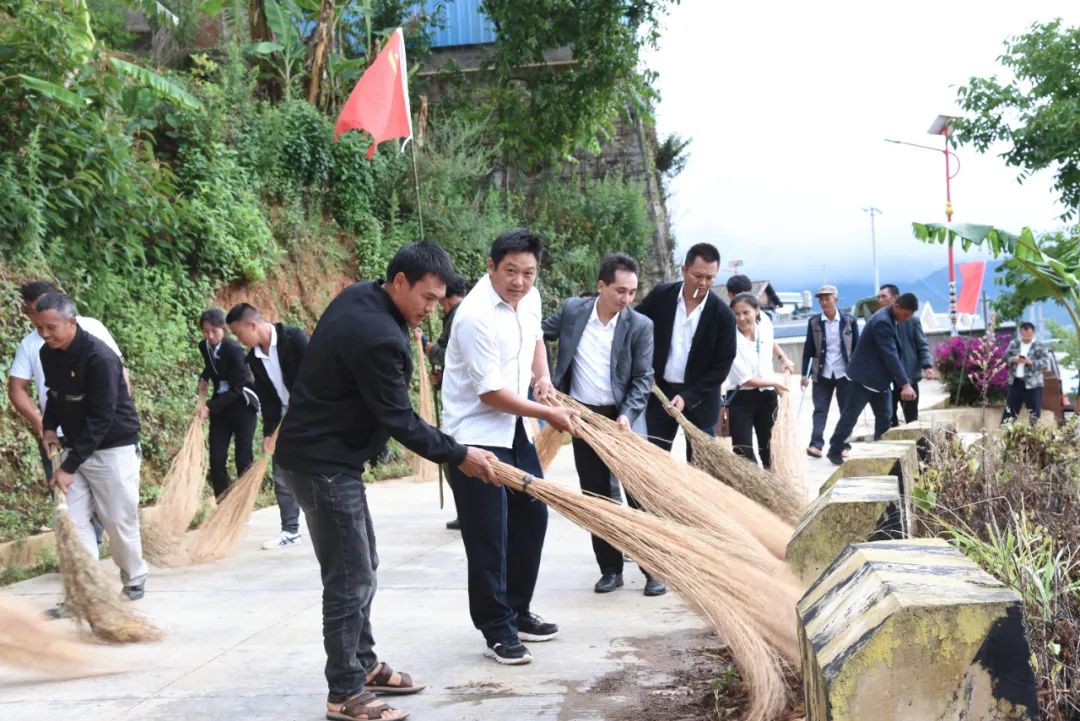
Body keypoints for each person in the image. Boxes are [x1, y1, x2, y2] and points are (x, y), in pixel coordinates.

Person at [274, 241, 497, 721]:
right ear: (399, 282)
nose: (431, 310)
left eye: (438, 300)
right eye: (428, 299)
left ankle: (364, 662)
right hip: (323, 465)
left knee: (362, 563)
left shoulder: (361, 295)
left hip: (324, 457)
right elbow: (398, 417)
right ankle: (345, 692)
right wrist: (460, 455)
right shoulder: (377, 334)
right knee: (349, 578)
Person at [441, 228, 578, 666]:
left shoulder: (530, 298)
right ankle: (495, 628)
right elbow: (490, 394)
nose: (519, 281)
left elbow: (536, 338)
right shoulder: (474, 316)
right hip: (475, 434)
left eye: (528, 272)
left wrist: (543, 378)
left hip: (513, 427)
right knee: (489, 535)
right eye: (510, 271)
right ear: (491, 266)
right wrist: (549, 416)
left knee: (532, 515)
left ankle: (517, 611)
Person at [542, 253, 665, 597]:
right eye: (620, 291)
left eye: (632, 292)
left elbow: (643, 378)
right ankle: (610, 569)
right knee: (597, 496)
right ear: (601, 286)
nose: (626, 299)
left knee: (639, 496)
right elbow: (534, 335)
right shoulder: (572, 312)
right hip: (584, 420)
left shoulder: (640, 325)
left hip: (624, 421)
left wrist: (627, 414)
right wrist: (542, 379)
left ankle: (653, 569)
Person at [36, 292, 148, 601]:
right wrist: (48, 426)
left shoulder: (101, 358)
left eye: (51, 328)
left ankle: (134, 577)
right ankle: (87, 591)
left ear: (71, 323)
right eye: (39, 328)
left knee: (116, 518)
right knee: (72, 520)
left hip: (114, 448)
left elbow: (102, 418)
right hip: (76, 446)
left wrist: (68, 468)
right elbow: (55, 394)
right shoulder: (50, 354)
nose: (44, 335)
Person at [8, 280, 120, 544]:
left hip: (101, 434)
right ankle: (83, 558)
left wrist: (115, 411)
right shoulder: (31, 344)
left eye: (36, 309)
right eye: (31, 313)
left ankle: (108, 546)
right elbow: (17, 389)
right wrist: (42, 425)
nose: (35, 318)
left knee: (111, 506)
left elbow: (118, 373)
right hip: (59, 436)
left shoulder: (92, 329)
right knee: (68, 503)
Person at [637, 243, 737, 459]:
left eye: (710, 278)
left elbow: (722, 365)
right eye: (697, 275)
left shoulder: (723, 316)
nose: (703, 283)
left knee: (701, 467)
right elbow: (635, 329)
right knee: (654, 460)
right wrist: (643, 368)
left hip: (701, 401)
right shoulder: (660, 297)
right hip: (659, 395)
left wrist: (688, 397)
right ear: (684, 270)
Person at [226, 303, 307, 550]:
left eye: (239, 334)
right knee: (281, 472)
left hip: (311, 413)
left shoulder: (295, 338)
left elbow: (316, 374)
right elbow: (268, 398)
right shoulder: (254, 358)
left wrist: (301, 399)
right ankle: (290, 530)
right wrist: (269, 432)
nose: (239, 340)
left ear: (253, 325)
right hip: (283, 417)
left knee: (317, 470)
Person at [826, 293, 919, 464]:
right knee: (850, 417)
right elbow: (890, 354)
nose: (905, 319)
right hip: (863, 379)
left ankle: (881, 453)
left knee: (885, 417)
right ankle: (835, 448)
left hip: (880, 381)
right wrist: (905, 384)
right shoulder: (882, 321)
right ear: (897, 306)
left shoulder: (891, 318)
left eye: (909, 316)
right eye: (905, 315)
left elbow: (894, 354)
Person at [411, 271, 467, 531]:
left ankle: (469, 511)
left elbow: (451, 356)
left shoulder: (459, 317)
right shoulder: (461, 314)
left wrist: (427, 345)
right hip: (458, 397)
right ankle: (467, 511)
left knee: (453, 457)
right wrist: (442, 379)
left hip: (462, 405)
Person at [195, 308, 258, 498]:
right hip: (220, 408)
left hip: (242, 406)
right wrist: (204, 378)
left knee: (243, 457)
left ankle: (243, 504)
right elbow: (211, 365)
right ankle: (224, 503)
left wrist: (209, 407)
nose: (210, 335)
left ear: (224, 328)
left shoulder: (235, 350)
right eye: (206, 331)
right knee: (216, 459)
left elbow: (238, 388)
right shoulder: (204, 346)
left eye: (215, 331)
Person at [726, 293, 792, 468]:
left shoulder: (765, 327)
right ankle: (754, 485)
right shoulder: (730, 340)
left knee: (769, 448)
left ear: (757, 311)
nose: (741, 318)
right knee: (742, 450)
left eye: (746, 312)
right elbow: (746, 380)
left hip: (767, 397)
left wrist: (783, 358)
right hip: (741, 399)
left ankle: (773, 486)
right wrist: (775, 383)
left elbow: (770, 342)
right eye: (736, 314)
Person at [800, 285, 859, 458]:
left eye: (827, 298)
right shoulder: (814, 322)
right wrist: (805, 374)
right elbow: (808, 350)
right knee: (819, 410)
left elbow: (857, 348)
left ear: (836, 300)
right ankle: (816, 445)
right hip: (822, 373)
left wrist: (859, 373)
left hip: (845, 373)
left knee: (846, 410)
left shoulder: (850, 321)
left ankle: (843, 445)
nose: (824, 301)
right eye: (821, 298)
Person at [877, 284, 937, 425]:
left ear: (895, 299)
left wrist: (927, 365)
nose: (880, 300)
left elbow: (922, 345)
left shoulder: (912, 321)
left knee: (912, 419)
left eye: (884, 296)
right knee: (888, 419)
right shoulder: (879, 321)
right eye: (878, 297)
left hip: (909, 376)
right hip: (888, 380)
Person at [1002, 322, 1050, 425]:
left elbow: (1046, 363)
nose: (1026, 338)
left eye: (1029, 336)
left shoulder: (1040, 345)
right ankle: (1006, 433)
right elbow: (1005, 357)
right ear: (1020, 333)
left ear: (1034, 333)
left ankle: (1033, 435)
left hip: (1033, 384)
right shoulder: (1014, 343)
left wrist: (1030, 363)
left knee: (1034, 413)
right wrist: (1013, 359)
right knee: (1010, 411)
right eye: (1024, 335)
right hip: (1015, 382)